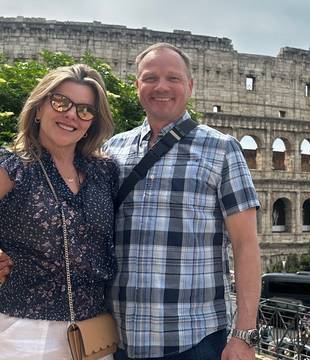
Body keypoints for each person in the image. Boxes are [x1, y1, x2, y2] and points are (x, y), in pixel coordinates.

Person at [103, 43, 261, 360]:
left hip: (193, 340)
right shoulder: (112, 149)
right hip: (118, 339)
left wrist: (243, 335)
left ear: (190, 86)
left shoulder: (223, 149)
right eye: (150, 78)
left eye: (173, 78)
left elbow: (246, 245)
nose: (161, 87)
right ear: (137, 86)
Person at [0, 64, 117, 359]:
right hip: (24, 332)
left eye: (85, 110)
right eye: (60, 102)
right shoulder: (13, 167)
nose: (71, 115)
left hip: (94, 335)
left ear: (93, 121)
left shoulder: (104, 173)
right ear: (39, 108)